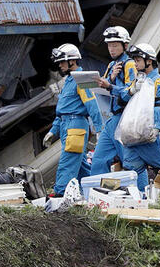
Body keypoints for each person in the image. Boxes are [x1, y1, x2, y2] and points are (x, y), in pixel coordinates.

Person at [44, 44, 104, 196]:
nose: (60, 65)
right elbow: (62, 111)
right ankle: (94, 191)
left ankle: (60, 193)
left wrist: (99, 129)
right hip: (67, 125)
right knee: (81, 164)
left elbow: (92, 105)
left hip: (76, 125)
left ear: (72, 61)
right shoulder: (69, 81)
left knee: (68, 161)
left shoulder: (83, 78)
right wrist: (53, 131)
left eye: (62, 61)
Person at [119, 43, 160, 189]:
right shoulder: (137, 81)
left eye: (137, 60)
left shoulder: (158, 82)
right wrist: (132, 90)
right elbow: (121, 99)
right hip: (133, 134)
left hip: (150, 133)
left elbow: (158, 108)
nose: (135, 64)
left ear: (149, 61)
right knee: (131, 170)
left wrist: (157, 128)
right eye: (134, 60)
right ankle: (139, 199)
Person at [91, 26, 138, 175]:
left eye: (115, 45)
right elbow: (103, 84)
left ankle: (142, 193)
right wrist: (110, 79)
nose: (111, 49)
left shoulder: (130, 64)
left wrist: (110, 85)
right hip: (111, 119)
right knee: (98, 160)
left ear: (125, 46)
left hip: (124, 118)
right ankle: (96, 193)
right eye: (109, 45)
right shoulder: (111, 65)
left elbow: (132, 92)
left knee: (130, 161)